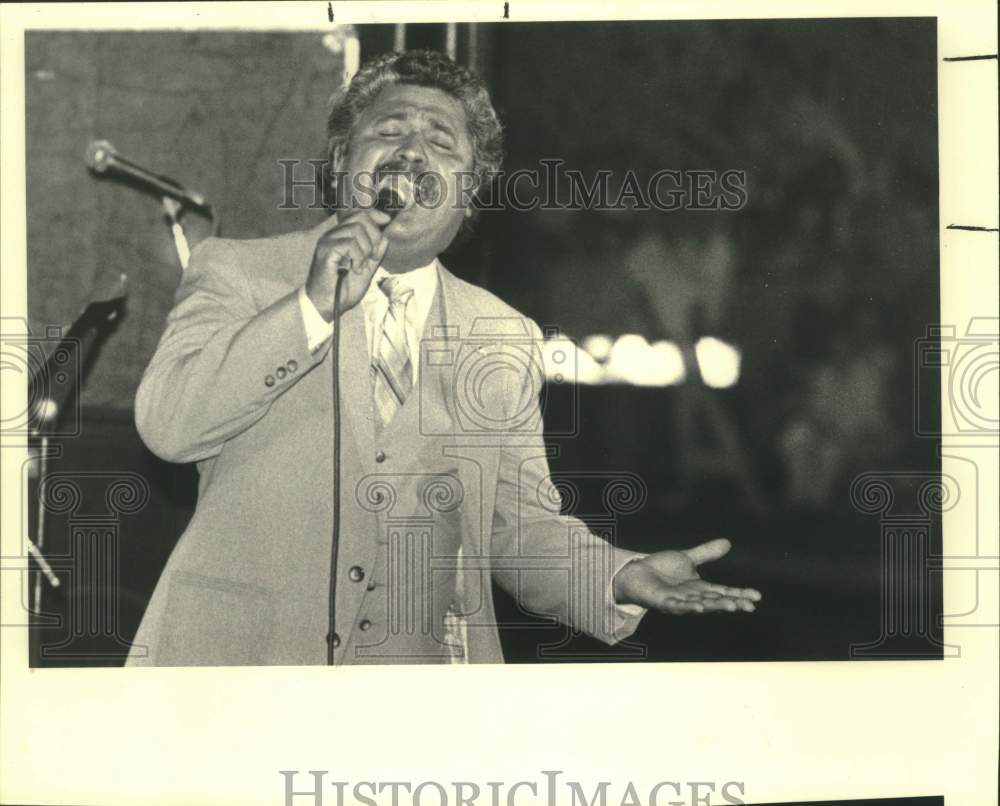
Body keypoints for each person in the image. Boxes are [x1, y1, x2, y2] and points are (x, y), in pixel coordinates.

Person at [127, 49, 761, 666]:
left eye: (441, 141)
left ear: (468, 191)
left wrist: (618, 575)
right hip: (239, 682)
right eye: (390, 130)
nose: (411, 151)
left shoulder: (502, 334)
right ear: (342, 161)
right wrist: (309, 307)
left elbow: (517, 528)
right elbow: (169, 427)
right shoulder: (239, 270)